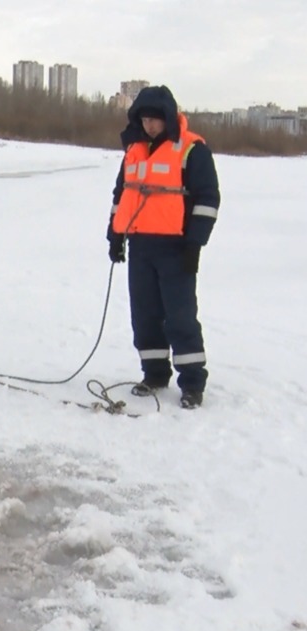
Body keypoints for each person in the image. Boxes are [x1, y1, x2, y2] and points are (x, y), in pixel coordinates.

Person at [106, 85, 221, 409]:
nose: (149, 126)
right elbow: (122, 195)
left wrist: (194, 244)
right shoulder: (134, 151)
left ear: (168, 118)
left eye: (155, 120)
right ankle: (155, 374)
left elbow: (207, 200)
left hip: (175, 248)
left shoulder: (192, 149)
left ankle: (192, 384)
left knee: (180, 317)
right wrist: (116, 235)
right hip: (141, 245)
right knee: (145, 315)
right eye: (144, 119)